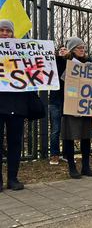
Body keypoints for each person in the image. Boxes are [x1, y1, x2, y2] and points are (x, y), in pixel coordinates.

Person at [60, 36, 92, 179]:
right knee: (69, 136)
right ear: (72, 50)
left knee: (86, 136)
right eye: (79, 48)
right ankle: (72, 167)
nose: (82, 50)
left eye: (83, 48)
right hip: (70, 105)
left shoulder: (89, 63)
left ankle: (86, 166)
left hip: (84, 106)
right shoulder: (64, 63)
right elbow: (61, 81)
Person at [0, 20, 27, 191]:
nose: (4, 34)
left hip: (16, 104)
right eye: (1, 30)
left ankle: (13, 178)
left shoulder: (24, 51)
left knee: (15, 142)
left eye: (8, 31)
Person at [49, 44, 68, 165]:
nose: (62, 51)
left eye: (64, 49)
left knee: (67, 129)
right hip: (55, 101)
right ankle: (54, 155)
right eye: (60, 50)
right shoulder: (53, 62)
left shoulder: (71, 63)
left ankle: (66, 154)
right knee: (55, 130)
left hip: (68, 100)